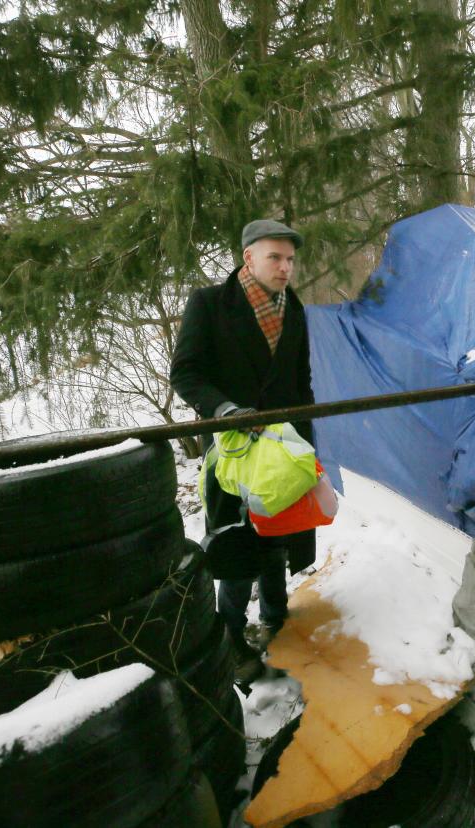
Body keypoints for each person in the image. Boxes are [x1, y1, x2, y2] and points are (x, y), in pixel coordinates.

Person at [171, 219, 317, 683]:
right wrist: (226, 408)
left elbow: (300, 381)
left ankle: (277, 617)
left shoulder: (293, 308)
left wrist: (309, 444)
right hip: (234, 453)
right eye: (275, 257)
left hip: (284, 449)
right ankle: (231, 641)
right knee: (236, 550)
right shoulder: (211, 304)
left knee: (278, 537)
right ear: (248, 257)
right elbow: (186, 373)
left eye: (290, 259)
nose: (285, 267)